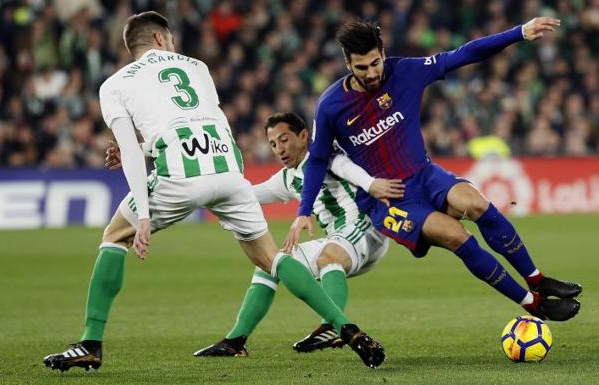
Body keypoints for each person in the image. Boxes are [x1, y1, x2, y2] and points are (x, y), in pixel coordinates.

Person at [42, 11, 385, 372]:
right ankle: (347, 328)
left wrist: (142, 215)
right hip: (229, 171)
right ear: (162, 39)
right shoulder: (197, 67)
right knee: (274, 260)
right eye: (171, 39)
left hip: (180, 174)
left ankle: (90, 343)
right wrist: (148, 149)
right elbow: (198, 122)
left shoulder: (114, 84)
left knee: (114, 237)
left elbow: (131, 149)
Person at [286, 18, 582, 322]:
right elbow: (319, 158)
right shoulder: (331, 105)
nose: (372, 73)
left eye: (375, 63)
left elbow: (464, 54)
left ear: (383, 53)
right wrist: (304, 210)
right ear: (348, 63)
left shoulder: (406, 72)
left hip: (425, 175)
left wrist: (519, 32)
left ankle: (537, 279)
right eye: (362, 67)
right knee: (456, 235)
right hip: (387, 200)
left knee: (476, 203)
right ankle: (533, 303)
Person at [193, 112, 398, 357]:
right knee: (271, 263)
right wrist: (208, 193)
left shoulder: (325, 156)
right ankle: (235, 341)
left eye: (284, 139)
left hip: (365, 230)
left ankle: (333, 326)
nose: (279, 149)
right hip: (339, 238)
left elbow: (351, 167)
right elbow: (247, 195)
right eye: (273, 144)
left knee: (329, 256)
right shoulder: (287, 178)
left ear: (303, 136)